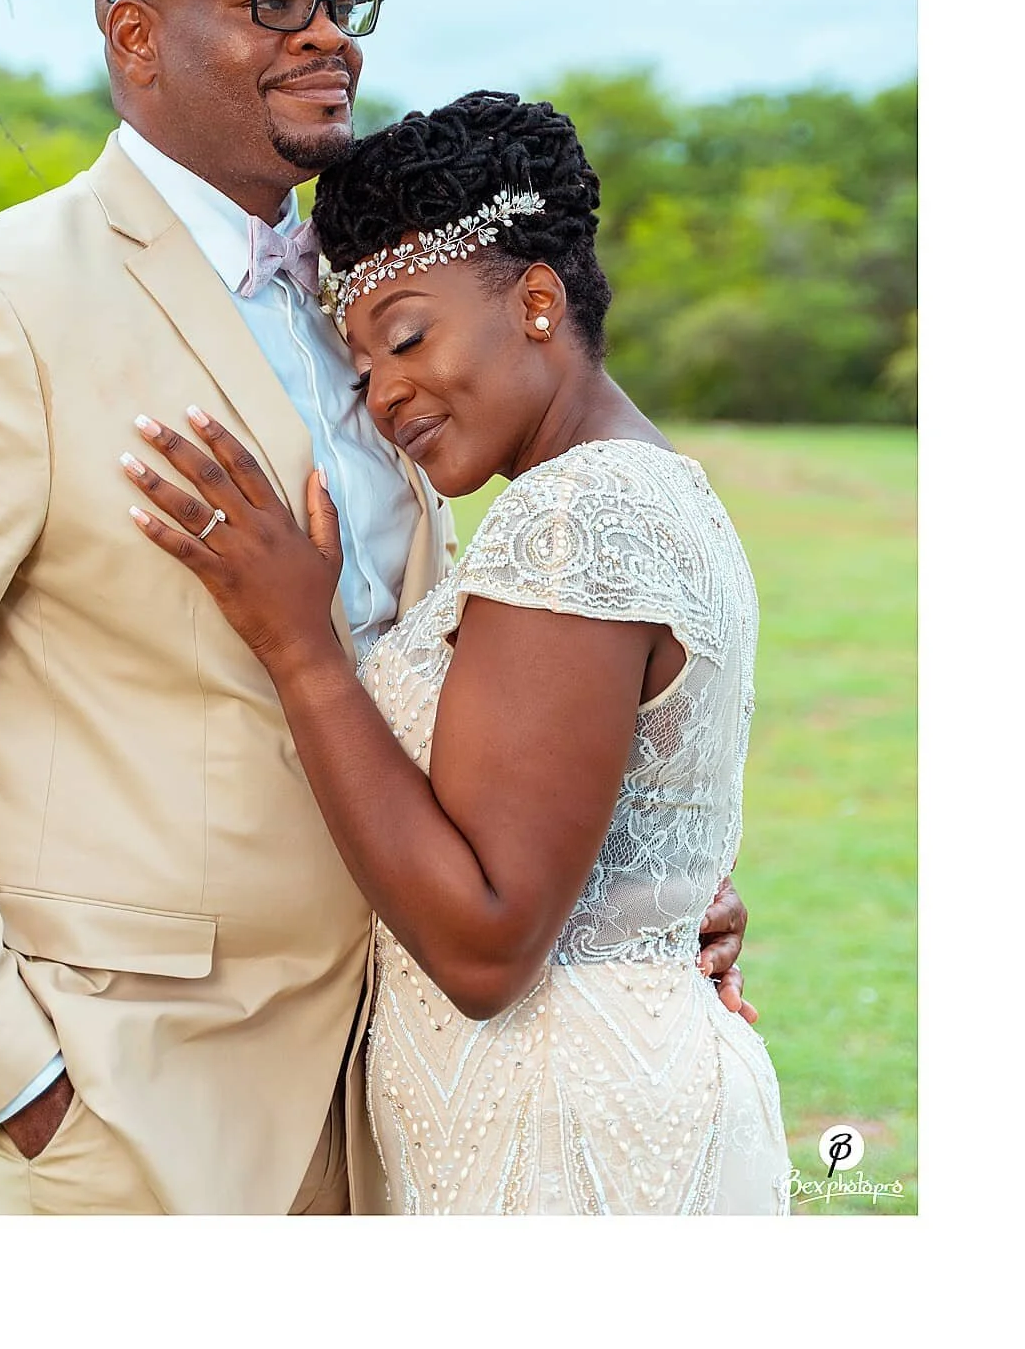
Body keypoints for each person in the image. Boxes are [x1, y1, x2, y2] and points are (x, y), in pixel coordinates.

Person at [0, 0, 751, 1216]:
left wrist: (618, 895)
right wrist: (7, 1076)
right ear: (135, 34)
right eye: (272, 1)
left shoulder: (386, 305)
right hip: (133, 1111)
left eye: (337, 2)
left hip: (412, 1089)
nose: (328, 35)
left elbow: (446, 672)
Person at [123, 88, 790, 1214]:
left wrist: (300, 646)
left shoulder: (575, 518)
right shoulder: (634, 488)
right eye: (360, 371)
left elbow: (485, 949)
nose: (385, 393)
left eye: (408, 338)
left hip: (568, 1136)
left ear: (537, 300)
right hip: (576, 1097)